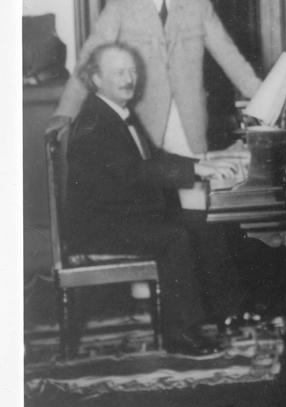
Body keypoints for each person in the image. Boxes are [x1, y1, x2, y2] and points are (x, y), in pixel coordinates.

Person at [65, 43, 250, 357]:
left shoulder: (117, 111)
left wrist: (203, 161)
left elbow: (152, 157)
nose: (129, 78)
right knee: (174, 238)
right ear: (97, 79)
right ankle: (180, 336)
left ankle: (226, 314)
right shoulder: (93, 123)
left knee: (207, 221)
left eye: (132, 70)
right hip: (99, 226)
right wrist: (196, 169)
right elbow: (135, 171)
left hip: (123, 217)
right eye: (119, 72)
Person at [49, 0, 262, 157]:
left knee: (195, 186)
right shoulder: (120, 6)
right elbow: (89, 59)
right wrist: (66, 111)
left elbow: (230, 57)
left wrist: (265, 100)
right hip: (141, 121)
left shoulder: (199, 5)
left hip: (189, 124)